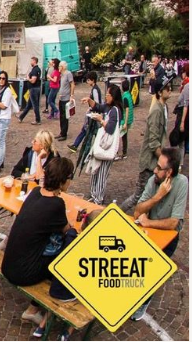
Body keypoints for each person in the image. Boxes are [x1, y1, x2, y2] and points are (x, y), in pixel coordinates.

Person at [1, 156, 77, 337]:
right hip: (23, 273)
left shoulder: (35, 192)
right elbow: (68, 229)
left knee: (51, 245)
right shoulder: (56, 204)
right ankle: (51, 301)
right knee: (66, 251)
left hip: (9, 264)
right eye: (70, 177)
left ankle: (34, 310)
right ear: (63, 180)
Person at [129, 147, 187, 320]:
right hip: (149, 233)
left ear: (169, 172)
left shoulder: (182, 183)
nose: (155, 170)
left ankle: (143, 302)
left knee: (152, 273)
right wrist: (157, 196)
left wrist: (148, 222)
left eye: (159, 168)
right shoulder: (153, 180)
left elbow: (174, 223)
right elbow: (137, 212)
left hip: (168, 238)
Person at [86, 83, 123, 205]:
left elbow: (111, 129)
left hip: (107, 146)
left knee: (102, 173)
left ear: (113, 96)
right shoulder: (107, 107)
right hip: (102, 144)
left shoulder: (115, 111)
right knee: (96, 170)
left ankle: (99, 198)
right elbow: (98, 106)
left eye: (108, 94)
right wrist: (89, 100)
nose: (106, 96)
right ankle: (94, 195)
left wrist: (100, 120)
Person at [18, 56, 43, 124]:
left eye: (31, 61)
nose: (30, 62)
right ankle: (21, 117)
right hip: (36, 88)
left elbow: (33, 81)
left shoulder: (35, 70)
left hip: (33, 89)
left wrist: (28, 78)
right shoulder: (37, 69)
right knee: (29, 105)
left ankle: (38, 120)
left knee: (35, 105)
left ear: (34, 61)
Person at [54, 61, 75, 141]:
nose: (58, 67)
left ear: (63, 67)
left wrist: (71, 95)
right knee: (61, 116)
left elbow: (72, 84)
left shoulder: (68, 74)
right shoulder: (61, 75)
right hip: (61, 98)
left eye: (59, 66)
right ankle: (61, 132)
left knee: (65, 117)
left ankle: (64, 134)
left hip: (66, 98)